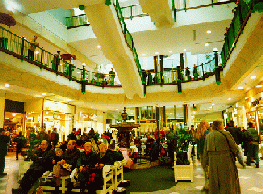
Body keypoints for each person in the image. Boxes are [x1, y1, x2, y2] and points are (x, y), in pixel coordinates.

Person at [203, 120, 241, 194]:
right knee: (226, 181)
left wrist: (205, 163)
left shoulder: (208, 136)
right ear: (220, 126)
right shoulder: (226, 134)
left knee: (214, 180)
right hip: (225, 160)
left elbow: (205, 152)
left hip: (212, 161)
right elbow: (235, 147)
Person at [195, 120, 210, 190]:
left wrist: (198, 155)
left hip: (201, 154)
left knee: (205, 171)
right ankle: (208, 185)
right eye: (207, 123)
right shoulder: (207, 133)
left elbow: (198, 146)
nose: (208, 124)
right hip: (208, 154)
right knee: (209, 171)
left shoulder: (198, 133)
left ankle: (207, 185)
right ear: (204, 124)